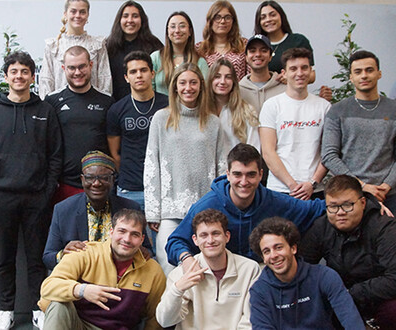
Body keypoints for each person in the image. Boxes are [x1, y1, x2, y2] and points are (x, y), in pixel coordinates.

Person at [0, 51, 62, 330]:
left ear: (32, 76)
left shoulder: (45, 110)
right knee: (3, 258)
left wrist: (47, 190)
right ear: (6, 76)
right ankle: (6, 311)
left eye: (25, 72)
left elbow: (55, 154)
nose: (19, 76)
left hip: (37, 197)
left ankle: (38, 308)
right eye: (14, 72)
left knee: (37, 258)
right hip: (2, 197)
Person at [165, 143, 326, 267]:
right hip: (218, 272)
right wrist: (186, 260)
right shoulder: (207, 205)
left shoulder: (274, 201)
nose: (244, 182)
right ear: (227, 174)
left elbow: (317, 209)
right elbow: (175, 242)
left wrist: (343, 204)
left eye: (251, 174)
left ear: (261, 174)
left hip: (260, 271)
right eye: (237, 174)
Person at [144, 62, 227, 274]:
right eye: (182, 83)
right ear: (175, 87)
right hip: (170, 208)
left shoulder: (213, 122)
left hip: (206, 208)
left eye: (193, 82)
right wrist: (153, 212)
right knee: (168, 262)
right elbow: (152, 164)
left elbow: (222, 167)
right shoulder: (161, 119)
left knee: (204, 267)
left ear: (201, 85)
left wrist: (222, 205)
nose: (188, 88)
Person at [38, 208, 166, 330]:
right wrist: (82, 290)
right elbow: (48, 287)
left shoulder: (153, 271)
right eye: (122, 231)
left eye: (135, 234)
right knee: (59, 304)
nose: (127, 239)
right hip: (79, 325)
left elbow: (156, 317)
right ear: (111, 232)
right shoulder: (84, 252)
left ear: (142, 239)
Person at [299, 175, 396, 329]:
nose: (340, 212)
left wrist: (351, 293)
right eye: (333, 206)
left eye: (347, 205)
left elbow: (394, 278)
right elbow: (301, 267)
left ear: (363, 203)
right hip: (339, 297)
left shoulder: (384, 227)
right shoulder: (321, 227)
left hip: (379, 297)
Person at [248, 217, 365, 329]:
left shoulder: (324, 276)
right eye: (267, 251)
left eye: (278, 247)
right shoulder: (259, 291)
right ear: (263, 258)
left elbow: (351, 319)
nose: (273, 256)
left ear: (293, 248)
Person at [156, 209, 260, 329]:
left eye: (215, 233)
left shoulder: (249, 269)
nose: (210, 240)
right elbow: (165, 320)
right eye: (204, 235)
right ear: (195, 240)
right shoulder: (181, 273)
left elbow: (250, 320)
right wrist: (178, 289)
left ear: (227, 236)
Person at [43, 150, 146, 270]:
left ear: (113, 180)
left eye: (104, 178)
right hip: (80, 277)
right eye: (90, 178)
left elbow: (146, 251)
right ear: (82, 180)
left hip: (120, 278)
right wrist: (63, 254)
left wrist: (139, 252)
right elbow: (48, 257)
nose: (96, 183)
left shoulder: (130, 208)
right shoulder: (63, 210)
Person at [322, 50, 396, 212]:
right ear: (351, 77)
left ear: (379, 73)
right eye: (358, 72)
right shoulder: (337, 111)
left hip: (390, 195)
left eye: (369, 70)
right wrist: (361, 185)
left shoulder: (393, 110)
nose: (364, 75)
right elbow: (328, 156)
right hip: (351, 197)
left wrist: (386, 185)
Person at [259, 47, 330, 200]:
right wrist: (292, 185)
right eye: (293, 69)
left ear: (311, 71)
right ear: (284, 73)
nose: (299, 73)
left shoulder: (324, 107)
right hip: (280, 190)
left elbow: (329, 151)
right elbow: (268, 152)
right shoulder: (272, 105)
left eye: (304, 68)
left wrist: (312, 183)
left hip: (315, 190)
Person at [45, 46, 113, 203]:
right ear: (63, 68)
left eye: (82, 66)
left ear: (91, 65)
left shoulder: (107, 101)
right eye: (72, 67)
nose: (77, 72)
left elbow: (113, 145)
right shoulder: (52, 101)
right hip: (63, 184)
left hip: (99, 185)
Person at [107, 51, 168, 210]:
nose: (139, 75)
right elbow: (115, 154)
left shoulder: (169, 105)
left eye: (143, 70)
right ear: (126, 78)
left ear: (152, 73)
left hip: (165, 187)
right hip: (130, 189)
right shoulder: (117, 110)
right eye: (133, 72)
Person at [40, 0, 111, 99]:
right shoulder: (53, 46)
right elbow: (46, 81)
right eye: (73, 11)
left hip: (93, 108)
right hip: (59, 108)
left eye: (82, 12)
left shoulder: (98, 45)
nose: (78, 15)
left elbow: (104, 79)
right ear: (65, 14)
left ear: (87, 15)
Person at [106, 0, 162, 101]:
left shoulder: (154, 45)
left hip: (148, 103)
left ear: (142, 20)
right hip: (116, 105)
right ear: (119, 20)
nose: (130, 20)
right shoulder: (109, 46)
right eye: (125, 16)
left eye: (135, 16)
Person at [204, 58, 259, 149]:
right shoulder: (201, 111)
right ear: (210, 80)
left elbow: (254, 148)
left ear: (234, 82)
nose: (222, 82)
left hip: (240, 162)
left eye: (228, 77)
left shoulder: (247, 111)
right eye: (217, 76)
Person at [150, 11, 208, 95]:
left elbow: (204, 92)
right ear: (168, 31)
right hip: (160, 107)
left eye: (182, 26)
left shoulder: (200, 62)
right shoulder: (155, 58)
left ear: (190, 31)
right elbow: (149, 89)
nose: (177, 30)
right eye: (173, 27)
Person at [196, 1, 248, 80]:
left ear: (233, 21)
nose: (223, 21)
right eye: (217, 17)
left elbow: (252, 76)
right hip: (210, 92)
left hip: (240, 91)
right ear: (210, 21)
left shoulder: (244, 45)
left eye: (227, 17)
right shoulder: (199, 49)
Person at [238, 34, 285, 114]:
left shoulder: (284, 88)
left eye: (263, 50)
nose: (258, 54)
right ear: (246, 57)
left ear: (270, 56)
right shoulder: (238, 91)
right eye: (252, 51)